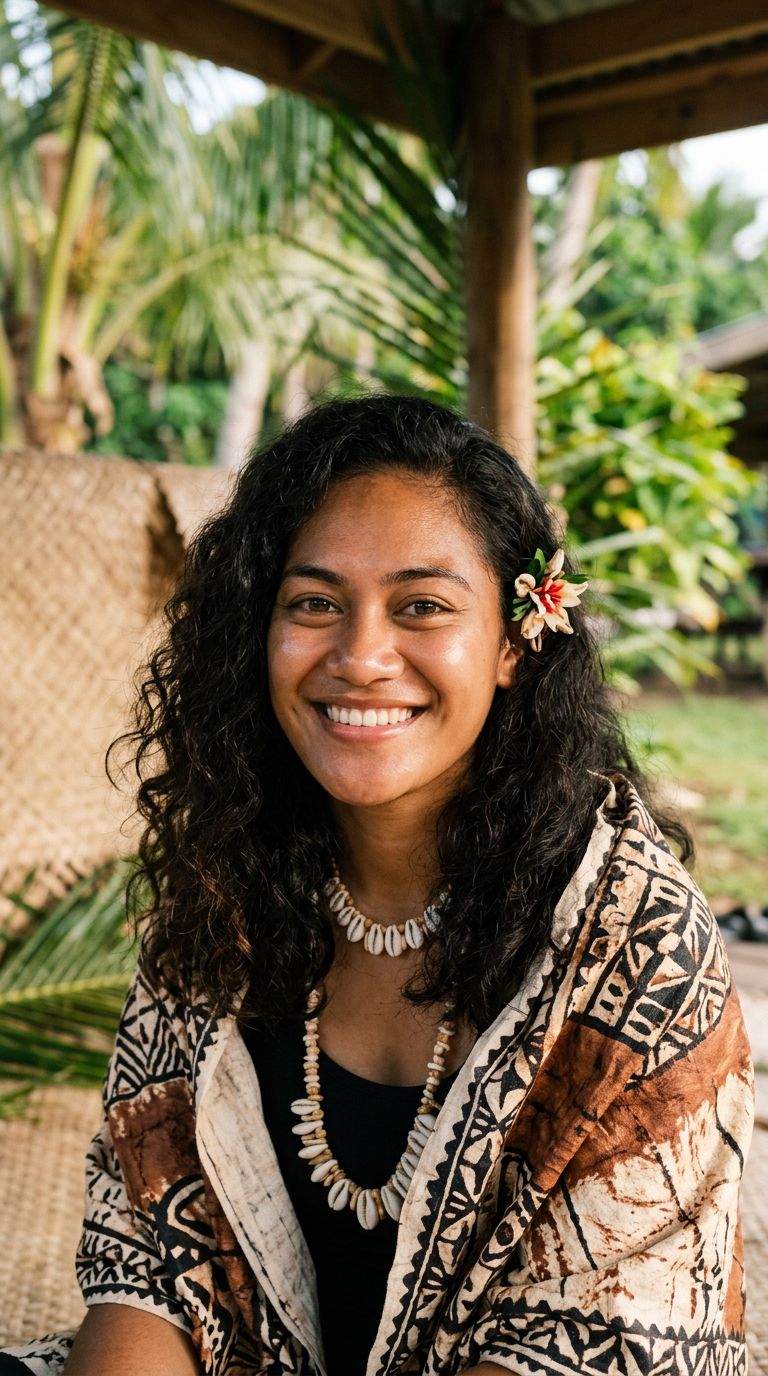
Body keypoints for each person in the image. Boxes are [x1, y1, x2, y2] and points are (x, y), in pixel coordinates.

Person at [0, 395, 753, 1376]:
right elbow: (151, 1261)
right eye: (314, 601)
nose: (359, 655)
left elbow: (606, 1341)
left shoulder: (633, 937)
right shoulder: (222, 878)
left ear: (517, 640)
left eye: (423, 605)